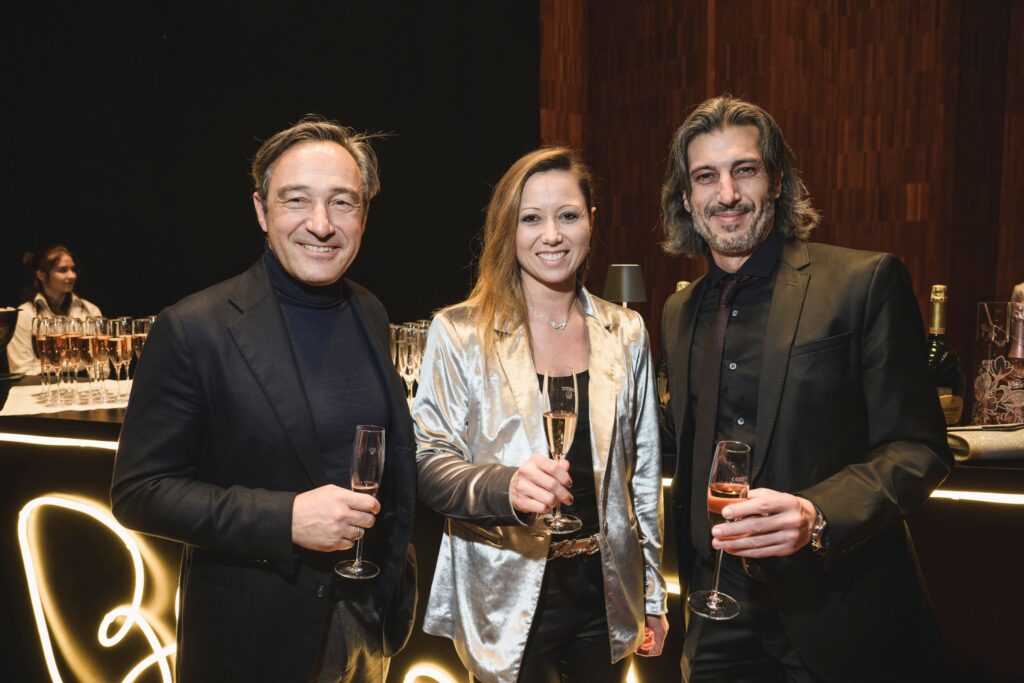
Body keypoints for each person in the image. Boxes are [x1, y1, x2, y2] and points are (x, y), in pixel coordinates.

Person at [110, 117, 417, 682]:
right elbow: (139, 492)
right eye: (296, 200)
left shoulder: (371, 312)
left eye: (342, 202)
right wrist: (286, 518)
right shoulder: (194, 328)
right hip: (254, 640)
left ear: (364, 214)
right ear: (261, 211)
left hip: (365, 625)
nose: (321, 224)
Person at [659, 95, 952, 682]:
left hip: (837, 614)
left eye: (745, 170)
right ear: (686, 199)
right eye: (705, 177)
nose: (728, 194)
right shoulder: (678, 311)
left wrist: (818, 514)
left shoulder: (863, 282)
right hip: (717, 610)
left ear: (777, 181)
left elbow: (919, 449)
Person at [413, 147, 668, 683]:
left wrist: (651, 593)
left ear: (591, 222)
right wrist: (503, 486)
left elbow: (642, 473)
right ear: (508, 229)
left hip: (603, 590)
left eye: (567, 216)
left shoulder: (625, 333)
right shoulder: (460, 333)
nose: (551, 235)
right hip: (506, 591)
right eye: (531, 218)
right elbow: (427, 462)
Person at [7, 246, 102, 374]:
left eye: (73, 269)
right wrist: (74, 367)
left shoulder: (90, 311)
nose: (72, 275)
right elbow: (21, 369)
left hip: (84, 389)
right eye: (63, 270)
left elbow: (102, 367)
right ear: (41, 274)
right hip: (39, 389)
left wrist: (54, 367)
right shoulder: (25, 314)